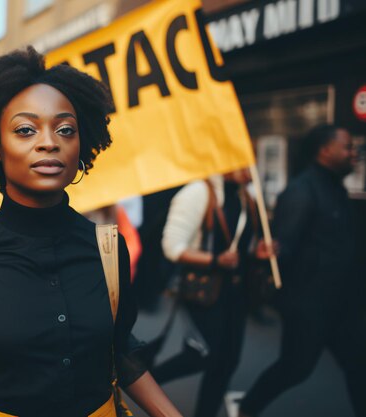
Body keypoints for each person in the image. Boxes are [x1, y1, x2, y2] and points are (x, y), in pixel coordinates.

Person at [0, 47, 182, 417]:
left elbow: (119, 352)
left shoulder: (108, 249)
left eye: (65, 129)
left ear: (81, 144)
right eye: (26, 130)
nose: (49, 142)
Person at [239, 125, 366, 417]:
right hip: (311, 307)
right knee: (295, 368)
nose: (353, 153)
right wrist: (268, 254)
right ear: (325, 150)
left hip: (343, 307)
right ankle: (247, 408)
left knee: (359, 364)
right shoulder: (302, 190)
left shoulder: (335, 187)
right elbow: (283, 250)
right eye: (346, 147)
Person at [148, 169, 272, 417]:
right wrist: (215, 260)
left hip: (236, 291)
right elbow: (172, 247)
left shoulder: (247, 197)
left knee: (227, 361)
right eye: (243, 162)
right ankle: (144, 382)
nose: (251, 168)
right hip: (203, 289)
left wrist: (255, 253)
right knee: (204, 355)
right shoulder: (197, 193)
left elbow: (240, 246)